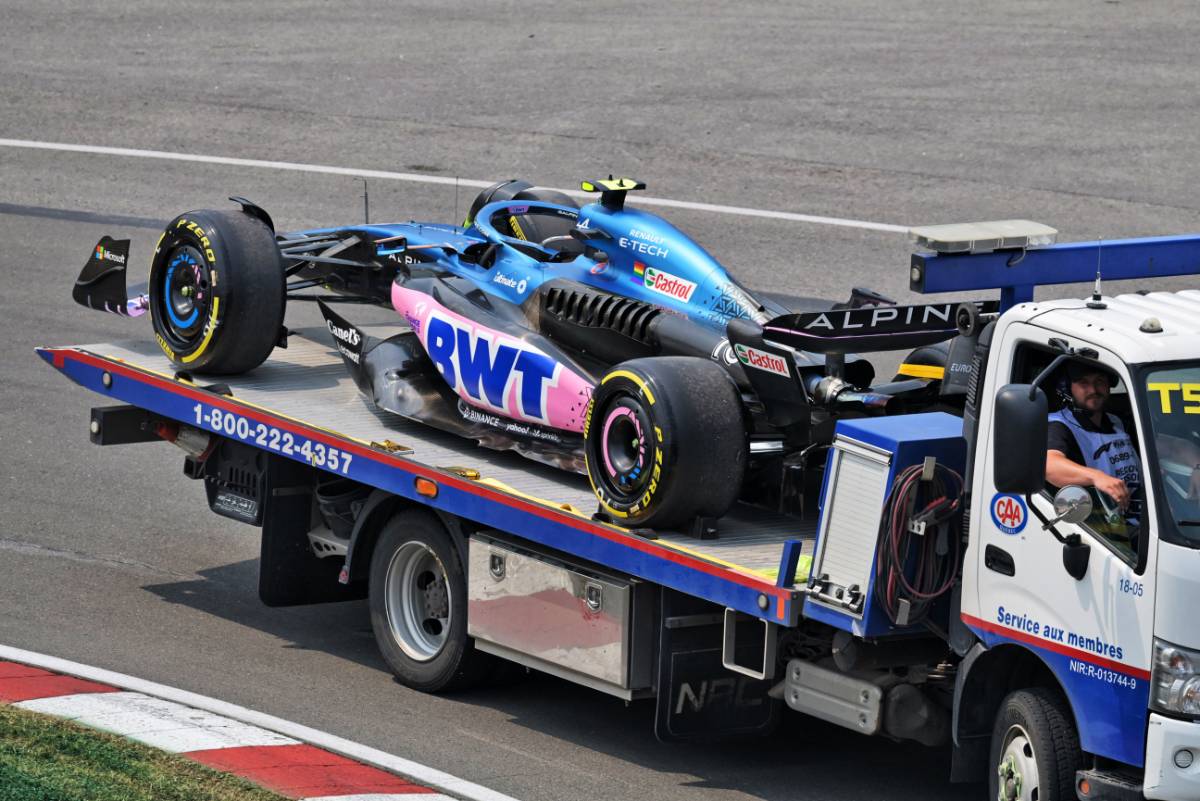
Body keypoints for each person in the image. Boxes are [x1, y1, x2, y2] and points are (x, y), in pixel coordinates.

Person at [1045, 362, 1141, 512]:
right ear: (1067, 387)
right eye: (1084, 382)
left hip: (1140, 516)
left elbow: (1167, 445)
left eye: (1100, 381)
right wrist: (1097, 477)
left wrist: (1193, 466)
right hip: (1095, 523)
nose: (1093, 389)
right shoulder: (1058, 425)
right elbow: (1050, 465)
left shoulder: (1117, 422)